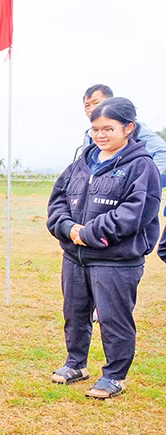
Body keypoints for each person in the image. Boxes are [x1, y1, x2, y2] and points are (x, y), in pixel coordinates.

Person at [47, 97, 161, 399]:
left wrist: (89, 233)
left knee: (113, 318)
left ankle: (115, 375)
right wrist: (67, 228)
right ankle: (76, 364)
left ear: (128, 129)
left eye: (108, 129)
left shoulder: (141, 167)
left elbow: (134, 213)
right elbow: (57, 201)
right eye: (95, 129)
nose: (100, 135)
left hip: (116, 261)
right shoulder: (81, 163)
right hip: (75, 256)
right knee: (75, 312)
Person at [79, 84, 166, 187]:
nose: (91, 109)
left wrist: (144, 181)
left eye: (96, 103)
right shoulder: (89, 135)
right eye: (87, 105)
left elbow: (162, 152)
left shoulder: (131, 128)